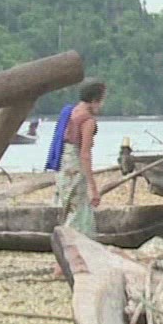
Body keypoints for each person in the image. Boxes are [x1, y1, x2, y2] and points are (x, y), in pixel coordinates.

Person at [54, 80, 106, 236]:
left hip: (63, 166)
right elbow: (85, 155)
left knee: (67, 206)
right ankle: (75, 242)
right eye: (102, 100)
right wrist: (94, 188)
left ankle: (65, 239)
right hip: (74, 167)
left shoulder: (71, 112)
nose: (102, 105)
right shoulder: (87, 121)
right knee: (78, 212)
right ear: (94, 100)